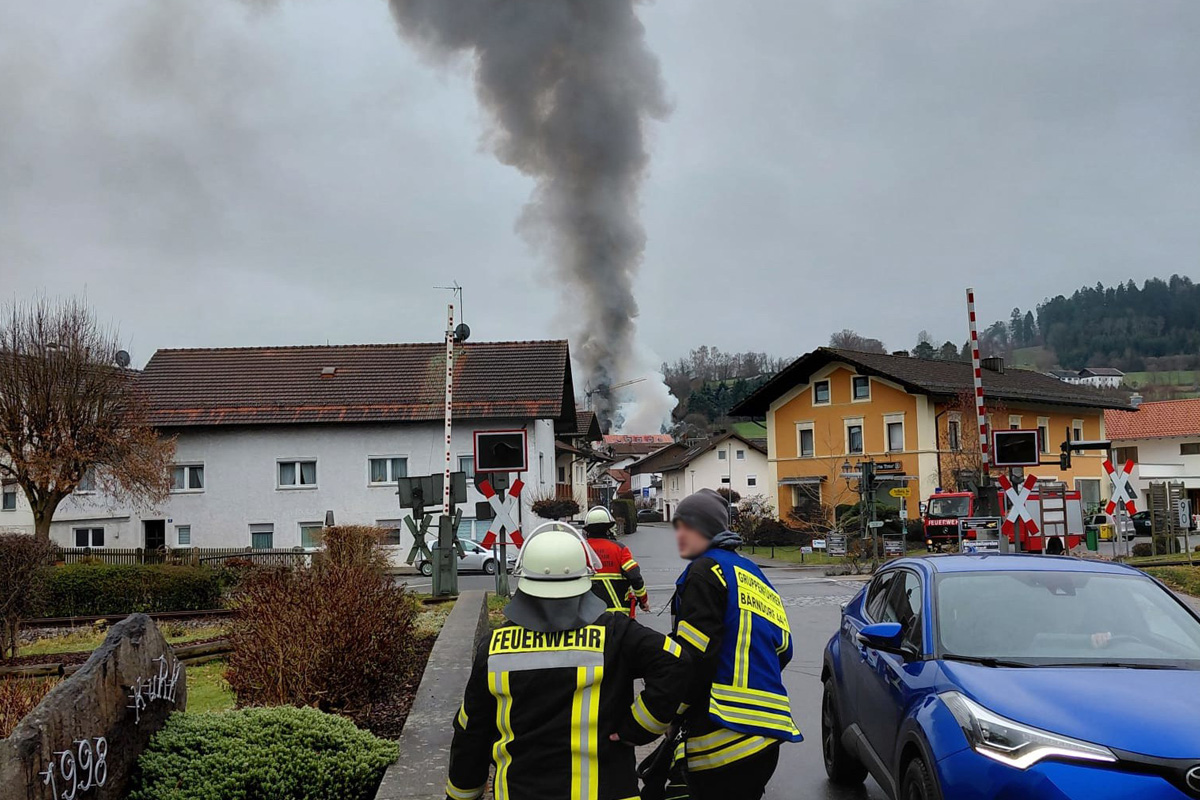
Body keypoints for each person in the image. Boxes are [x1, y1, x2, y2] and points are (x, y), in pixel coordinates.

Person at [445, 522, 689, 800]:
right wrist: (638, 727)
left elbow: (471, 733)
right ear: (585, 578)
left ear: (523, 579)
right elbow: (677, 663)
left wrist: (461, 794)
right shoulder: (616, 633)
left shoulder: (493, 647)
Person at [668, 489, 802, 800]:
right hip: (767, 735)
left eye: (688, 526)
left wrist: (672, 711)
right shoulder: (753, 573)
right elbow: (784, 647)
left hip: (724, 733)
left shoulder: (703, 572)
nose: (680, 534)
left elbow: (693, 657)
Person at [583, 506, 650, 615]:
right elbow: (635, 576)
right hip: (619, 616)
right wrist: (643, 601)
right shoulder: (620, 549)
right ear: (609, 528)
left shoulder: (579, 550)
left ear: (587, 529)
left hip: (589, 615)